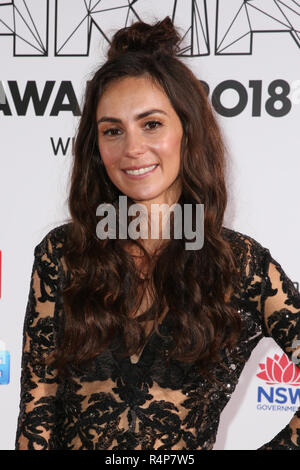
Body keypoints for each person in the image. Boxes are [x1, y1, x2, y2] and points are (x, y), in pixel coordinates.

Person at [15, 17, 300, 450]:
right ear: (98, 148)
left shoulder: (239, 265)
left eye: (151, 124)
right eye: (113, 130)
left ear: (188, 130)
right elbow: (36, 414)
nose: (132, 148)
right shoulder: (63, 254)